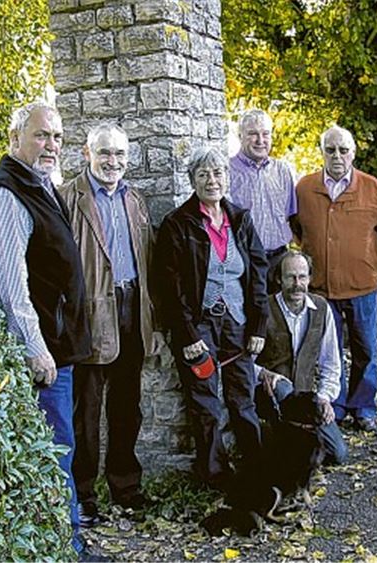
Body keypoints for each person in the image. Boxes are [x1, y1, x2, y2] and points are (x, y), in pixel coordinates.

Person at [0, 101, 100, 559]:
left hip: (61, 348)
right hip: (44, 355)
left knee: (61, 450)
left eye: (58, 137)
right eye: (42, 135)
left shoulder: (40, 184)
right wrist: (34, 347)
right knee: (54, 455)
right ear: (15, 139)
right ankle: (66, 550)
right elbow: (8, 283)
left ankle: (66, 543)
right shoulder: (6, 193)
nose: (52, 145)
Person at [56, 124, 156, 526]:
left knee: (127, 407)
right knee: (87, 411)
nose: (112, 162)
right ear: (87, 154)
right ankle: (83, 494)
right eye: (104, 153)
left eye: (119, 154)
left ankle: (125, 486)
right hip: (92, 313)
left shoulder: (135, 199)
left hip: (133, 308)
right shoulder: (69, 199)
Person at [155, 146, 269, 487]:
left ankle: (257, 469)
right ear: (193, 180)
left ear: (227, 177)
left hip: (238, 321)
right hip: (199, 323)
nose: (212, 180)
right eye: (203, 174)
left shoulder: (240, 219)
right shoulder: (178, 224)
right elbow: (169, 286)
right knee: (205, 404)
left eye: (218, 173)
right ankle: (215, 477)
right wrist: (187, 336)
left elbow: (259, 273)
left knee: (242, 397)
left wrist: (258, 324)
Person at [291, 125, 377, 432]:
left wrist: (367, 258)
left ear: (353, 153)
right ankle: (334, 406)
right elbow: (297, 230)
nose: (337, 156)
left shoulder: (372, 187)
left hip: (362, 285)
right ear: (322, 152)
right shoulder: (305, 188)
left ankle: (363, 407)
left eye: (343, 150)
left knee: (366, 348)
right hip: (322, 288)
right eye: (330, 149)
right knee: (329, 351)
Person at [254, 251, 348, 466]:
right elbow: (243, 360)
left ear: (309, 278)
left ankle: (297, 440)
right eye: (290, 277)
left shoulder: (321, 308)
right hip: (270, 396)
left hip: (305, 400)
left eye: (302, 277)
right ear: (279, 279)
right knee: (283, 388)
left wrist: (324, 398)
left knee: (338, 454)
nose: (297, 284)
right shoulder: (263, 309)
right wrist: (263, 373)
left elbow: (331, 363)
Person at [228, 109, 298, 292]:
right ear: (240, 136)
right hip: (244, 261)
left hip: (280, 260)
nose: (260, 140)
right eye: (253, 134)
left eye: (265, 134)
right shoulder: (227, 172)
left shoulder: (283, 170)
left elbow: (292, 216)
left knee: (281, 317)